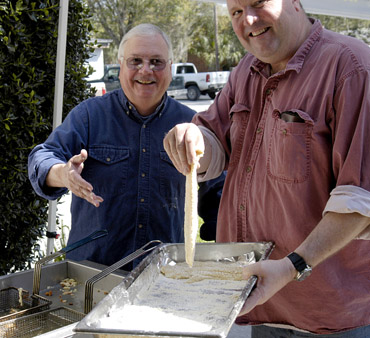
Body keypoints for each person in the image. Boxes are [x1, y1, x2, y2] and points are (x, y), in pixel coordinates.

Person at [163, 0, 370, 336]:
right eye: (235, 12)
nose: (247, 19)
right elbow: (214, 142)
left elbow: (363, 200)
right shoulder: (245, 71)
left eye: (259, 3)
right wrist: (192, 139)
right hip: (262, 302)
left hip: (334, 314)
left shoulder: (352, 68)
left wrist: (292, 267)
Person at [28, 23, 224, 270]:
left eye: (156, 62)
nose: (146, 70)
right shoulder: (88, 116)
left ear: (170, 69)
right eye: (135, 61)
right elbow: (42, 157)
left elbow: (220, 194)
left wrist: (227, 247)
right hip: (91, 278)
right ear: (120, 66)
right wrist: (62, 174)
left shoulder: (191, 126)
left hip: (164, 278)